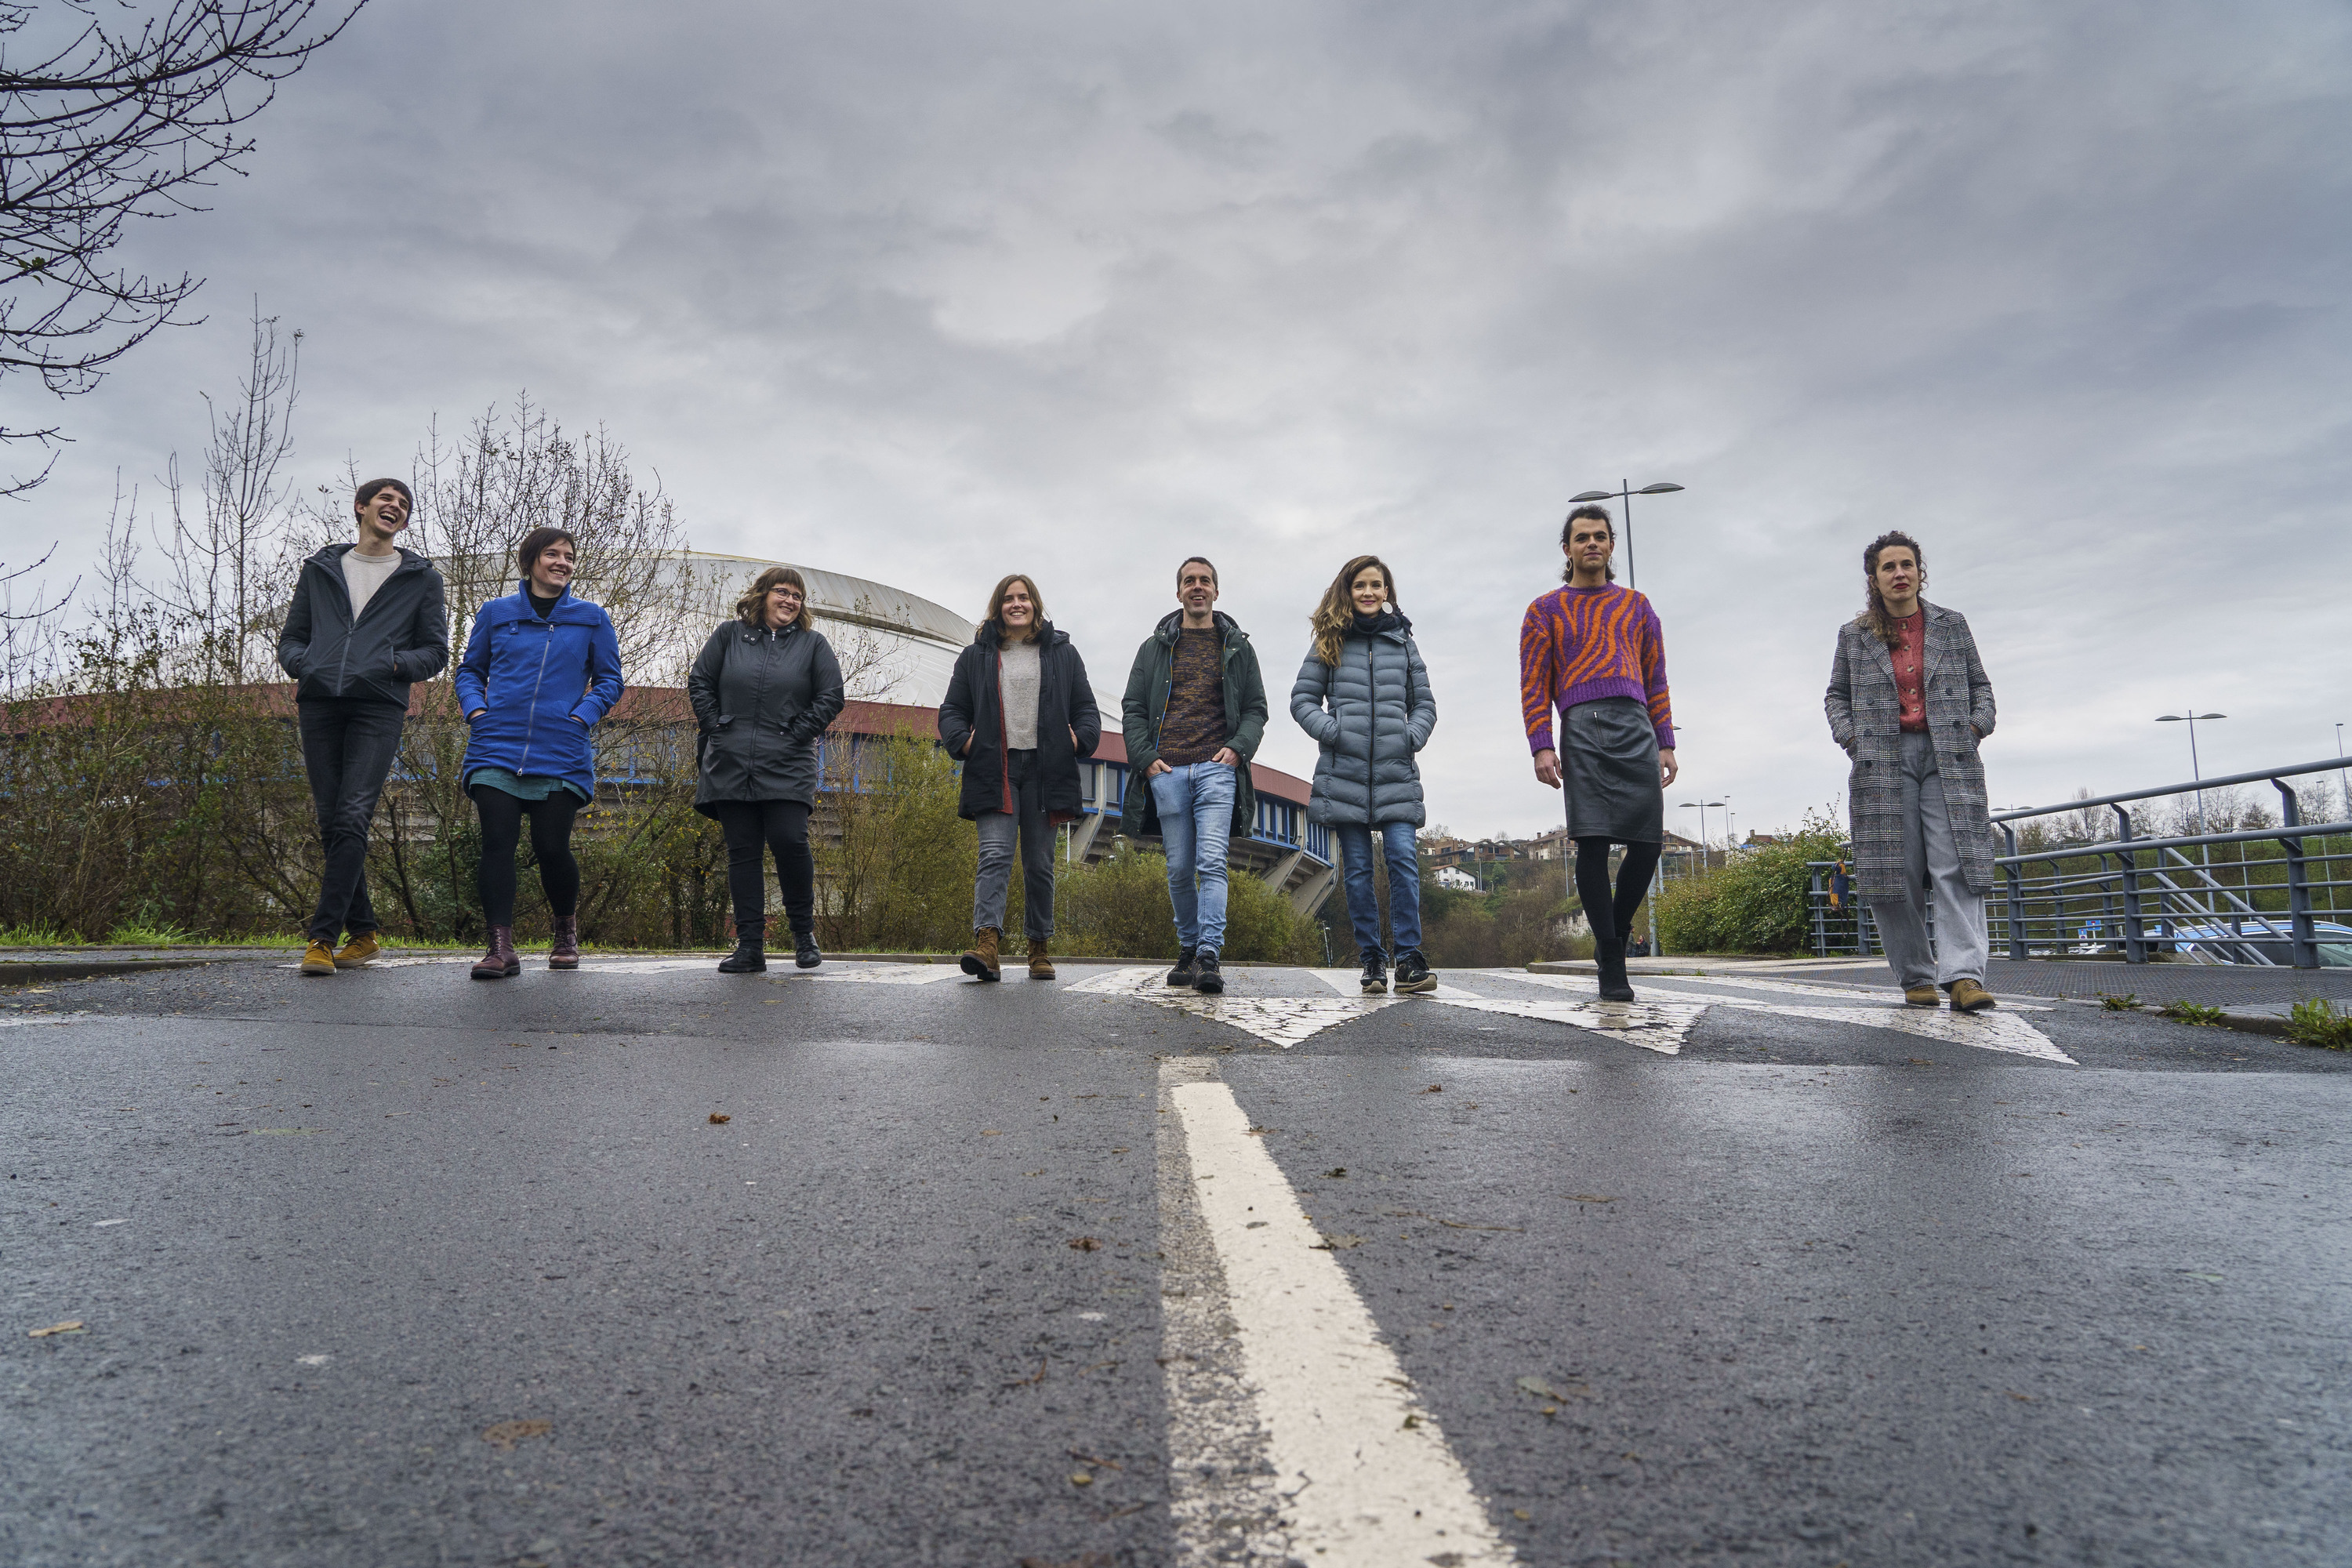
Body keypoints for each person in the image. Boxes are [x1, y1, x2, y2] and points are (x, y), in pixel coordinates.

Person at [275, 477, 449, 976]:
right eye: (385, 500)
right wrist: (305, 664)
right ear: (361, 509)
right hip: (320, 703)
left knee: (353, 815)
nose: (394, 507)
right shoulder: (321, 569)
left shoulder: (420, 578)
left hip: (377, 706)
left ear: (405, 520)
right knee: (332, 822)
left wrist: (388, 665)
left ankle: (321, 939)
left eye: (403, 504)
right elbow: (292, 637)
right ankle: (366, 932)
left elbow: (435, 651)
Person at [1824, 531, 1998, 1013]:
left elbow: (1980, 685)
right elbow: (1835, 696)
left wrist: (1976, 726)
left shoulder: (1951, 624)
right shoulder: (1855, 635)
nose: (1899, 574)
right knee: (1892, 871)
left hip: (1950, 759)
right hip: (1883, 761)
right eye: (1888, 567)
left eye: (1907, 565)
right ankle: (1916, 976)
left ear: (1921, 572)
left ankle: (1964, 976)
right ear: (1874, 579)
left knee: (1956, 865)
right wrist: (1853, 740)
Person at [1519, 504, 1678, 1003]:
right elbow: (1533, 684)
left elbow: (1656, 677)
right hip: (1581, 728)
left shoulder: (1637, 606)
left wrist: (1666, 740)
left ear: (1611, 546)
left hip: (1636, 726)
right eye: (1582, 537)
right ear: (1566, 549)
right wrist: (1541, 745)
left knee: (1648, 841)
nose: (1592, 544)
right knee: (1591, 841)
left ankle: (1615, 931)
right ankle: (1612, 959)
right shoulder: (1544, 610)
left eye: (1601, 536)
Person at [452, 527, 624, 979]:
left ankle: (565, 934)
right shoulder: (496, 613)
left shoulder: (592, 619)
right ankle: (499, 948)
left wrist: (582, 717)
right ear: (530, 561)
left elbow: (610, 680)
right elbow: (470, 671)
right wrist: (477, 711)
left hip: (560, 749)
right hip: (495, 745)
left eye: (569, 556)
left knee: (551, 847)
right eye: (553, 554)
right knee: (497, 844)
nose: (563, 562)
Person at [938, 574, 1102, 982]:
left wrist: (1078, 739)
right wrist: (967, 742)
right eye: (1008, 599)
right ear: (998, 606)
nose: (1017, 604)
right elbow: (951, 711)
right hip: (997, 769)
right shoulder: (975, 655)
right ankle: (987, 945)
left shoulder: (1063, 653)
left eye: (1024, 598)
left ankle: (1038, 948)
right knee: (994, 855)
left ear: (1035, 604)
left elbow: (1087, 712)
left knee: (1039, 863)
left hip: (1046, 772)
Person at [1118, 557, 1269, 996]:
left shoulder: (1237, 646)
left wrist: (1238, 750)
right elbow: (1133, 708)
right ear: (1178, 591)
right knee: (1180, 869)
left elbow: (1257, 708)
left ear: (1216, 592)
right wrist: (1146, 758)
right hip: (1167, 770)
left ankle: (1208, 955)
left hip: (1217, 771)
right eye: (1189, 581)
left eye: (1205, 581)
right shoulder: (1153, 648)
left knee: (1211, 863)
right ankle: (1186, 950)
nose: (1197, 587)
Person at [1290, 554, 1438, 995]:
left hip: (1396, 772)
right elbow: (1302, 701)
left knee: (1404, 864)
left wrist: (1410, 736)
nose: (1369, 592)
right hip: (1345, 774)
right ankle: (1372, 959)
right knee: (1355, 871)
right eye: (1360, 586)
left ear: (1387, 592)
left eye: (1377, 585)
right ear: (1348, 591)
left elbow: (1426, 705)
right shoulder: (1328, 642)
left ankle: (1410, 960)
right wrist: (1335, 733)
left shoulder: (1404, 643)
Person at [690, 567, 845, 975]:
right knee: (742, 853)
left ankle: (803, 934)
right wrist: (715, 726)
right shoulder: (728, 636)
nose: (791, 601)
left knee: (789, 841)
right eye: (783, 591)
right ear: (763, 594)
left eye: (798, 596)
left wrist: (799, 731)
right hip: (731, 758)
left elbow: (832, 696)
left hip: (788, 761)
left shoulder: (813, 645)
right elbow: (700, 681)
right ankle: (750, 947)